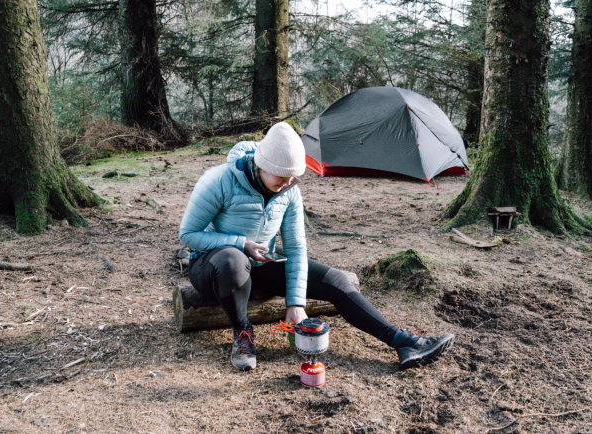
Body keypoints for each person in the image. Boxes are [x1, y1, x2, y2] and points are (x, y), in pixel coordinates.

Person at [179, 122, 454, 371]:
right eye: (280, 178)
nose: (287, 185)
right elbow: (188, 234)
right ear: (262, 165)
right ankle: (242, 333)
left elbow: (296, 247)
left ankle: (402, 342)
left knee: (337, 280)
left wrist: (296, 302)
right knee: (232, 260)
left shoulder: (288, 191)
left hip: (260, 263)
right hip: (213, 266)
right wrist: (240, 243)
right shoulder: (218, 181)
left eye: (292, 179)